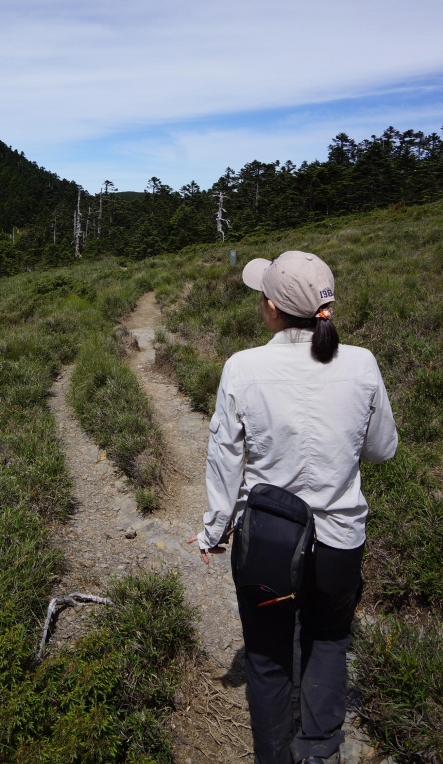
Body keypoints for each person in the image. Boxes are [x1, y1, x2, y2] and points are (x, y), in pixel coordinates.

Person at [188, 250, 397, 764]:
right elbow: (382, 449)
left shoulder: (243, 368)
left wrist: (214, 530)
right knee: (328, 638)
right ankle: (319, 749)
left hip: (267, 544)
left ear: (273, 308)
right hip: (339, 541)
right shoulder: (362, 363)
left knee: (266, 659)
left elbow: (225, 461)